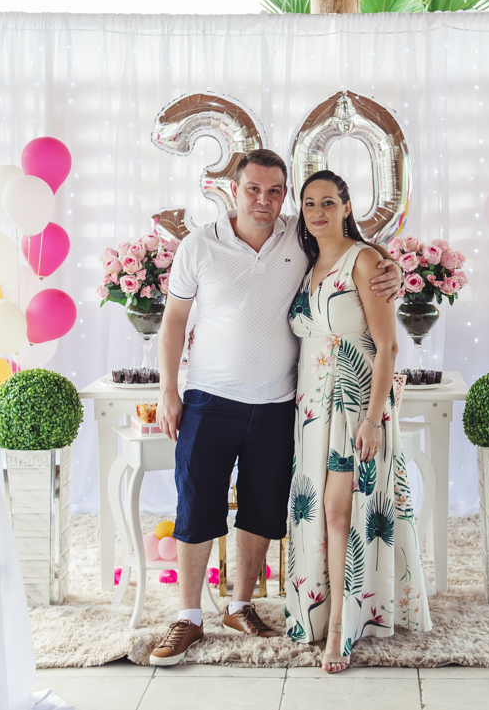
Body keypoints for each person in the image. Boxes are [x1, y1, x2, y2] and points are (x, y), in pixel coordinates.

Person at [148, 149, 403, 667]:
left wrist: (391, 269)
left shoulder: (299, 236)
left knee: (263, 509)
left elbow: (351, 251)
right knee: (196, 506)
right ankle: (189, 616)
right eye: (253, 189)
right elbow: (173, 320)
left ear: (284, 195)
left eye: (274, 191)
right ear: (232, 190)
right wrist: (167, 390)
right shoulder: (199, 246)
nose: (263, 200)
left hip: (280, 403)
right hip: (208, 398)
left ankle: (240, 606)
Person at [286, 170, 432, 673]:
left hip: (354, 403)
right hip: (312, 409)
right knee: (319, 514)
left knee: (338, 511)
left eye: (328, 202)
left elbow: (388, 347)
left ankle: (340, 632)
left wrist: (373, 419)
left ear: (347, 207)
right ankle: (319, 613)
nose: (318, 211)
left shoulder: (365, 260)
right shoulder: (305, 264)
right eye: (309, 203)